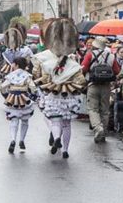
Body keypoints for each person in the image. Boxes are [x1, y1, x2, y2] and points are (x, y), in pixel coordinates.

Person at [33, 18, 86, 159]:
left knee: (55, 120)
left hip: (53, 96)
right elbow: (81, 80)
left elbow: (42, 79)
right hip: (69, 96)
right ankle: (65, 150)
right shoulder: (73, 64)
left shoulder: (46, 63)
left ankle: (56, 138)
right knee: (67, 124)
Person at [81, 36, 120, 143]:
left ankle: (98, 128)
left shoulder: (90, 55)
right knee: (105, 110)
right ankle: (103, 133)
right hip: (106, 86)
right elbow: (116, 71)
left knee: (93, 109)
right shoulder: (111, 56)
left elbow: (83, 69)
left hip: (93, 85)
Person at [0, 57, 37, 154]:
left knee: (14, 121)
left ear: (16, 64)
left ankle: (13, 140)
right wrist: (33, 97)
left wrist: (6, 96)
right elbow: (33, 87)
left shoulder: (11, 75)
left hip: (12, 98)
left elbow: (3, 87)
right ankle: (22, 140)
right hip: (24, 98)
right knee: (25, 121)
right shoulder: (27, 75)